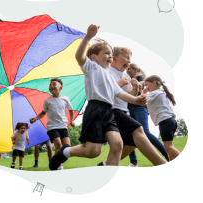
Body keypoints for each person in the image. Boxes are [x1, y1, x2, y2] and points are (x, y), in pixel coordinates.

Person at [49, 24, 151, 171]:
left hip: (109, 112)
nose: (110, 57)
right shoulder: (91, 67)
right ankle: (65, 151)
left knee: (117, 144)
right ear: (94, 57)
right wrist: (88, 37)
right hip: (95, 110)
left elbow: (120, 94)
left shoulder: (110, 77)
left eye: (111, 55)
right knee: (93, 152)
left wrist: (137, 100)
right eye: (106, 53)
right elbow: (78, 56)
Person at [97, 45, 167, 167]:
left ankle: (105, 165)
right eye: (126, 58)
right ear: (114, 58)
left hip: (123, 110)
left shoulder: (127, 76)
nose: (129, 61)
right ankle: (162, 163)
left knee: (130, 142)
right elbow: (105, 94)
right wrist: (119, 83)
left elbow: (130, 96)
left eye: (130, 59)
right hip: (111, 110)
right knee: (139, 129)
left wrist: (135, 90)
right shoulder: (107, 72)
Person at [126, 63, 169, 167]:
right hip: (130, 109)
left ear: (134, 69)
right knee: (128, 135)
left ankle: (168, 156)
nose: (127, 71)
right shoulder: (130, 80)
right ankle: (133, 163)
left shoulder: (140, 77)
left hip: (139, 108)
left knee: (145, 133)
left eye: (128, 69)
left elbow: (142, 87)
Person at [30, 78, 75, 170]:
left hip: (63, 126)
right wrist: (35, 118)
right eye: (50, 85)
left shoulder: (65, 99)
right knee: (58, 144)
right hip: (52, 127)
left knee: (67, 147)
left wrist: (72, 120)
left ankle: (54, 161)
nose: (51, 86)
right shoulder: (47, 100)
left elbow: (71, 110)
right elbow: (43, 113)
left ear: (60, 88)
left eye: (54, 84)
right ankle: (59, 166)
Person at [142, 75, 181, 161]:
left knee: (168, 147)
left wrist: (143, 93)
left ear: (154, 83)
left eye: (146, 84)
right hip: (171, 121)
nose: (146, 87)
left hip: (165, 121)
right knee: (169, 148)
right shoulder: (161, 92)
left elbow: (142, 101)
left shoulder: (154, 93)